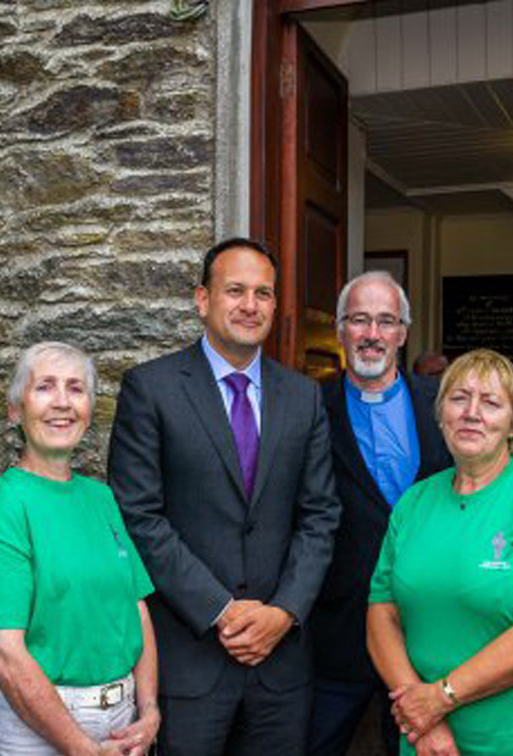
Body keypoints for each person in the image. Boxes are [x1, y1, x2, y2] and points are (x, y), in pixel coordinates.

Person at [107, 236, 340, 756]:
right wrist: (222, 611)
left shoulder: (303, 397)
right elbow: (139, 517)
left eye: (263, 293)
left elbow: (321, 515)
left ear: (276, 305)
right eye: (235, 290)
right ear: (202, 299)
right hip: (190, 660)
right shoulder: (152, 388)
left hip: (281, 666)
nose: (250, 305)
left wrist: (284, 612)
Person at [367, 348, 513, 756]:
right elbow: (381, 616)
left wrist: (441, 698)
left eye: (491, 402)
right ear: (440, 415)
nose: (472, 412)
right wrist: (423, 719)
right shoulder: (414, 503)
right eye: (459, 398)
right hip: (429, 740)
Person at [0, 342, 161, 756]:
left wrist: (149, 711)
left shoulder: (100, 498)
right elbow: (3, 652)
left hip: (123, 718)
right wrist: (82, 748)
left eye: (76, 389)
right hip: (39, 724)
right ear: (15, 410)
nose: (62, 402)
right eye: (45, 387)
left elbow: (136, 611)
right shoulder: (8, 502)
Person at [309, 271, 452, 756]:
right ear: (340, 329)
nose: (372, 334)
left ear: (403, 334)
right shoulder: (306, 405)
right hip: (334, 632)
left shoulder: (443, 405)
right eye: (360, 320)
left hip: (426, 629)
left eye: (386, 321)